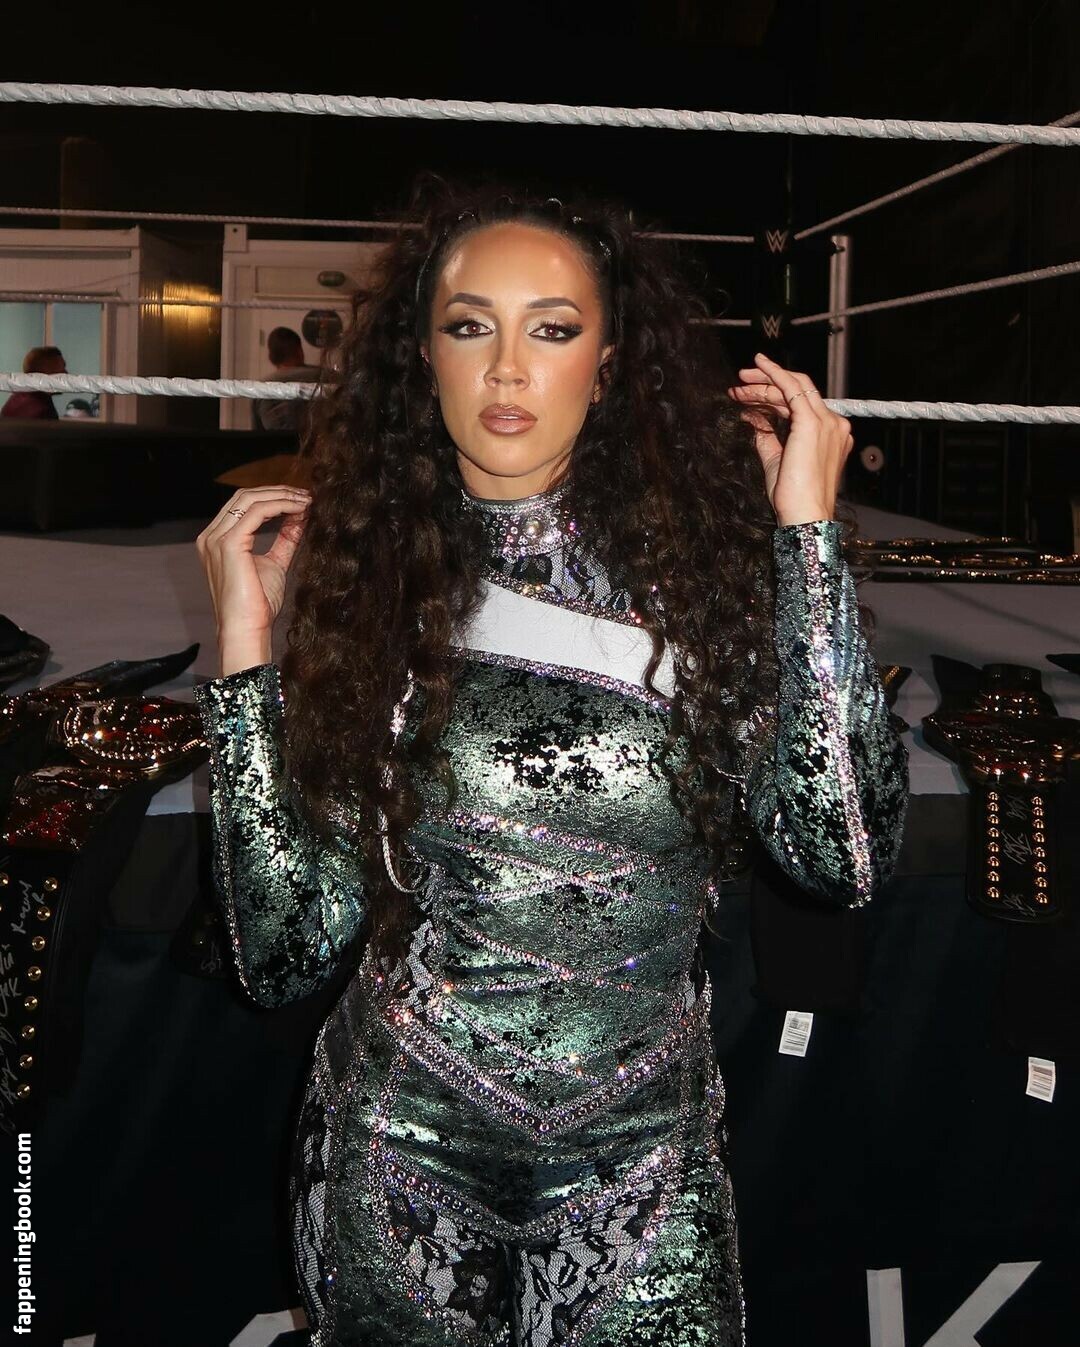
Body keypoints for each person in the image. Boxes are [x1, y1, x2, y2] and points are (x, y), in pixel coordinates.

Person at [194, 183, 908, 1347]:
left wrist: (807, 541)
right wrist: (244, 657)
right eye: (470, 325)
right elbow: (283, 956)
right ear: (423, 356)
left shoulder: (707, 579)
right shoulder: (362, 581)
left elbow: (845, 859)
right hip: (396, 1150)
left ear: (609, 364)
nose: (508, 368)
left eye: (554, 328)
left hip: (646, 1158)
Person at [253, 326, 322, 432]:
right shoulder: (328, 377)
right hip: (322, 441)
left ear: (271, 358)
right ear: (300, 352)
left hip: (279, 442)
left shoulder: (261, 389)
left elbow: (257, 435)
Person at [1, 346, 66, 419]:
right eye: (62, 369)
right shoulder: (42, 410)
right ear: (44, 373)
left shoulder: (15, 400)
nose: (66, 374)